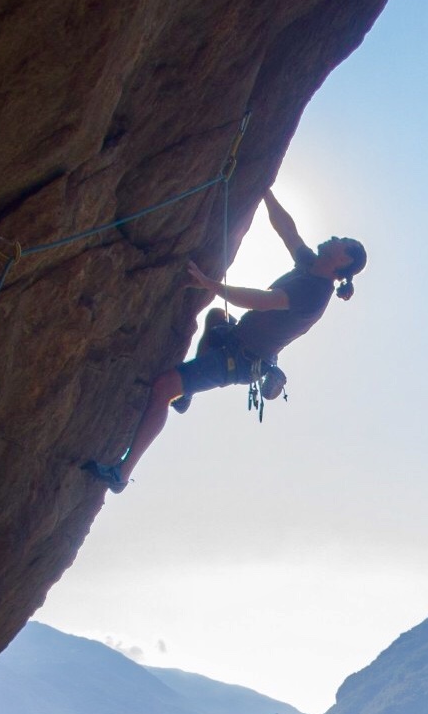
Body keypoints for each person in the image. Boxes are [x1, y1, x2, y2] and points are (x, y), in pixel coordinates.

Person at [84, 189, 366, 491]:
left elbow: (261, 301)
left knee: (163, 387)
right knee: (217, 317)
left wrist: (209, 284)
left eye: (343, 244)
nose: (336, 238)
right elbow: (288, 230)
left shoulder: (314, 292)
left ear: (341, 264)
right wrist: (265, 190)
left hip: (241, 360)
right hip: (237, 340)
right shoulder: (311, 265)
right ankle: (186, 396)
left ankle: (122, 474)